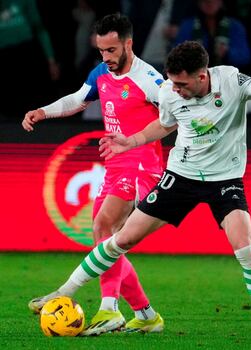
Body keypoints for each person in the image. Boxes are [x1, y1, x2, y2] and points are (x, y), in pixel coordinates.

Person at [27, 41, 251, 341]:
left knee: (246, 250)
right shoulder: (168, 91)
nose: (175, 89)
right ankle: (63, 292)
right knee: (120, 239)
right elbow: (165, 125)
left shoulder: (231, 80)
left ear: (202, 76)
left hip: (225, 180)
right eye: (172, 82)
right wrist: (130, 141)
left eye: (181, 84)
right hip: (180, 177)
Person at [22, 13, 164, 336]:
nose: (107, 58)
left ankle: (109, 310)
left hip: (142, 164)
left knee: (106, 226)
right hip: (115, 164)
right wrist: (43, 111)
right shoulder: (101, 72)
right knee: (102, 235)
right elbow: (78, 100)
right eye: (102, 51)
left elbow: (174, 115)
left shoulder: (150, 80)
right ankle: (146, 314)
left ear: (129, 44)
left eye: (112, 50)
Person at [0, 0, 60, 119]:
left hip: (26, 52)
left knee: (34, 101)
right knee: (8, 107)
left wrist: (51, 60)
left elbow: (40, 29)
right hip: (4, 57)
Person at [174, 0, 251, 69]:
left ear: (221, 2)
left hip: (227, 77)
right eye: (205, 1)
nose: (209, 3)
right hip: (194, 78)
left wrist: (227, 53)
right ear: (198, 3)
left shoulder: (235, 26)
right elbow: (176, 57)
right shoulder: (187, 26)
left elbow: (245, 57)